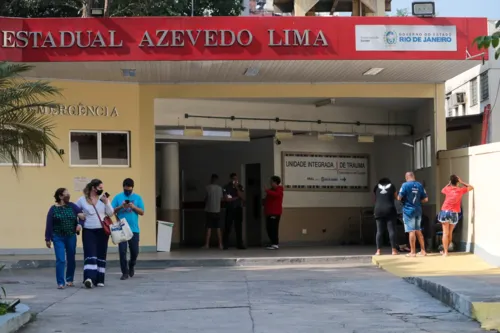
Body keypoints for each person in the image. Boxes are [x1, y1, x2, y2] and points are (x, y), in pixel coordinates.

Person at [76, 179, 114, 288]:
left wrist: (107, 202)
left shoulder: (103, 199)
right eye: (100, 188)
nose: (102, 190)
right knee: (90, 254)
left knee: (101, 254)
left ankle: (100, 279)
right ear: (93, 188)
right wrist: (79, 220)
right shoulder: (82, 200)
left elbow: (111, 213)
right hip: (88, 230)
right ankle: (89, 278)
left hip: (102, 231)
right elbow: (75, 210)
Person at [45, 188, 85, 289]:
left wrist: (80, 224)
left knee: (71, 258)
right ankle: (60, 282)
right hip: (58, 236)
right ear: (60, 196)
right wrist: (47, 238)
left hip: (71, 236)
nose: (68, 196)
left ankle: (70, 279)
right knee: (61, 259)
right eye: (66, 194)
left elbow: (82, 216)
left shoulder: (72, 206)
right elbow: (49, 224)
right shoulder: (53, 209)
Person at [112, 178, 145, 280]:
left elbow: (142, 212)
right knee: (122, 251)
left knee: (135, 251)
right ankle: (124, 272)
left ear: (132, 188)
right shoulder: (118, 197)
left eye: (129, 190)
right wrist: (121, 206)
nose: (127, 192)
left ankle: (131, 264)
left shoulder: (138, 198)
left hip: (134, 229)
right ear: (123, 188)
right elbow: (111, 211)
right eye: (126, 190)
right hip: (121, 228)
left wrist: (133, 207)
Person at [438, 175, 473, 256]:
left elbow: (442, 190)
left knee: (445, 233)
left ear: (450, 182)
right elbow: (471, 187)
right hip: (454, 213)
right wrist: (462, 182)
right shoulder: (460, 190)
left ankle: (445, 252)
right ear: (457, 182)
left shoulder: (447, 189)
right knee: (450, 233)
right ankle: (445, 251)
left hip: (445, 212)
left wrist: (448, 184)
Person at [398, 172, 428, 257]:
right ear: (414, 176)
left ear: (406, 177)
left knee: (411, 231)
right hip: (418, 210)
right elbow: (426, 199)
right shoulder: (419, 185)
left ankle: (413, 252)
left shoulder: (404, 185)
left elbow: (399, 197)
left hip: (408, 211)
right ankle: (423, 251)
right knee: (418, 230)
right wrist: (418, 202)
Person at [373, 178, 398, 256]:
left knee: (379, 231)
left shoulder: (376, 187)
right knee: (391, 230)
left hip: (378, 209)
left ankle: (378, 251)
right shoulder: (392, 186)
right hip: (390, 209)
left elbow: (375, 199)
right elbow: (396, 197)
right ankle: (394, 250)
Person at [223, 173, 246, 250]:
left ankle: (239, 244)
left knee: (238, 227)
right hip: (230, 208)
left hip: (238, 208)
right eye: (233, 179)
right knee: (228, 227)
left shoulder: (240, 187)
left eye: (236, 179)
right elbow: (227, 199)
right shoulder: (226, 187)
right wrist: (236, 198)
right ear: (230, 179)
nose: (235, 180)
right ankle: (225, 244)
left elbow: (243, 197)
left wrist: (237, 188)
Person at [203, 174, 224, 249]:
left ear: (211, 179)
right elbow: (221, 199)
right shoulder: (220, 188)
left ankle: (207, 244)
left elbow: (205, 199)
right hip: (217, 211)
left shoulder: (207, 188)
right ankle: (220, 244)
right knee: (218, 228)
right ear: (217, 180)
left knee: (209, 228)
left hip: (209, 210)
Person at [264, 176, 284, 250]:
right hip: (269, 212)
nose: (270, 183)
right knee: (268, 228)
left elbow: (276, 195)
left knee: (273, 228)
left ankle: (275, 243)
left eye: (271, 182)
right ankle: (272, 242)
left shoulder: (279, 189)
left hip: (275, 212)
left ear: (275, 182)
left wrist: (267, 191)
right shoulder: (271, 190)